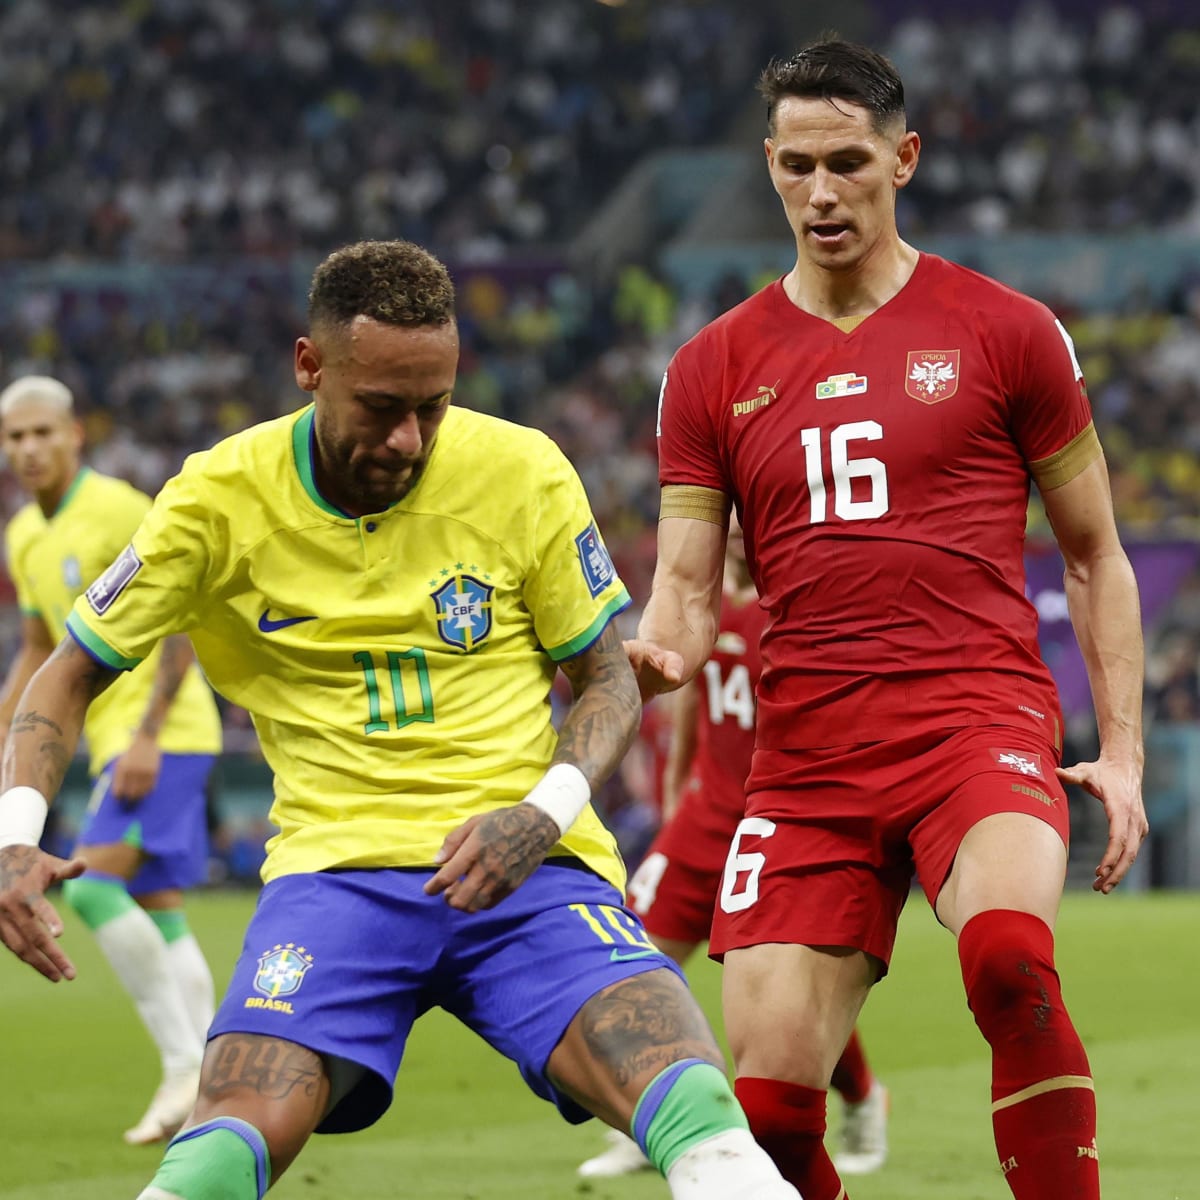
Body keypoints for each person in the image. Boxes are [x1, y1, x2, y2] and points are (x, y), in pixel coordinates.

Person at [0, 241, 802, 1200]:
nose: (411, 440)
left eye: (435, 405)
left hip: (531, 869)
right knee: (210, 1166)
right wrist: (16, 837)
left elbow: (608, 680)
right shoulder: (217, 498)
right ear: (311, 367)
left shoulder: (521, 470)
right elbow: (64, 674)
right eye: (382, 408)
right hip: (335, 877)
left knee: (706, 1123)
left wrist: (539, 815)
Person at [626, 40, 1146, 1200]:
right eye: (797, 165)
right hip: (805, 754)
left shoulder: (1008, 331)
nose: (821, 192)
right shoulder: (709, 371)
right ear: (768, 166)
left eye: (848, 163)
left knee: (1012, 963)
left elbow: (1098, 552)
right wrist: (649, 652)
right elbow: (689, 587)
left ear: (902, 159)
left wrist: (1120, 751)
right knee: (761, 1115)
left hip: (976, 717)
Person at [580, 516, 888, 1181]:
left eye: (757, 524)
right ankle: (655, 1117)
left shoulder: (800, 609)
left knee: (786, 993)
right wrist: (673, 800)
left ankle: (863, 1097)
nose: (746, 537)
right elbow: (686, 713)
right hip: (705, 816)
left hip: (779, 814)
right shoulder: (700, 612)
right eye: (736, 525)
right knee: (631, 960)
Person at [0, 375, 224, 1145]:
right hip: (106, 737)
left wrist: (151, 732)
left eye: (40, 433)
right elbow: (38, 648)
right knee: (160, 908)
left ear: (75, 436)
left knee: (91, 887)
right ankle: (214, 1079)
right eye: (14, 437)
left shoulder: (122, 509)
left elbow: (184, 617)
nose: (27, 449)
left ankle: (181, 1070)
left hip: (164, 734)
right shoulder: (23, 534)